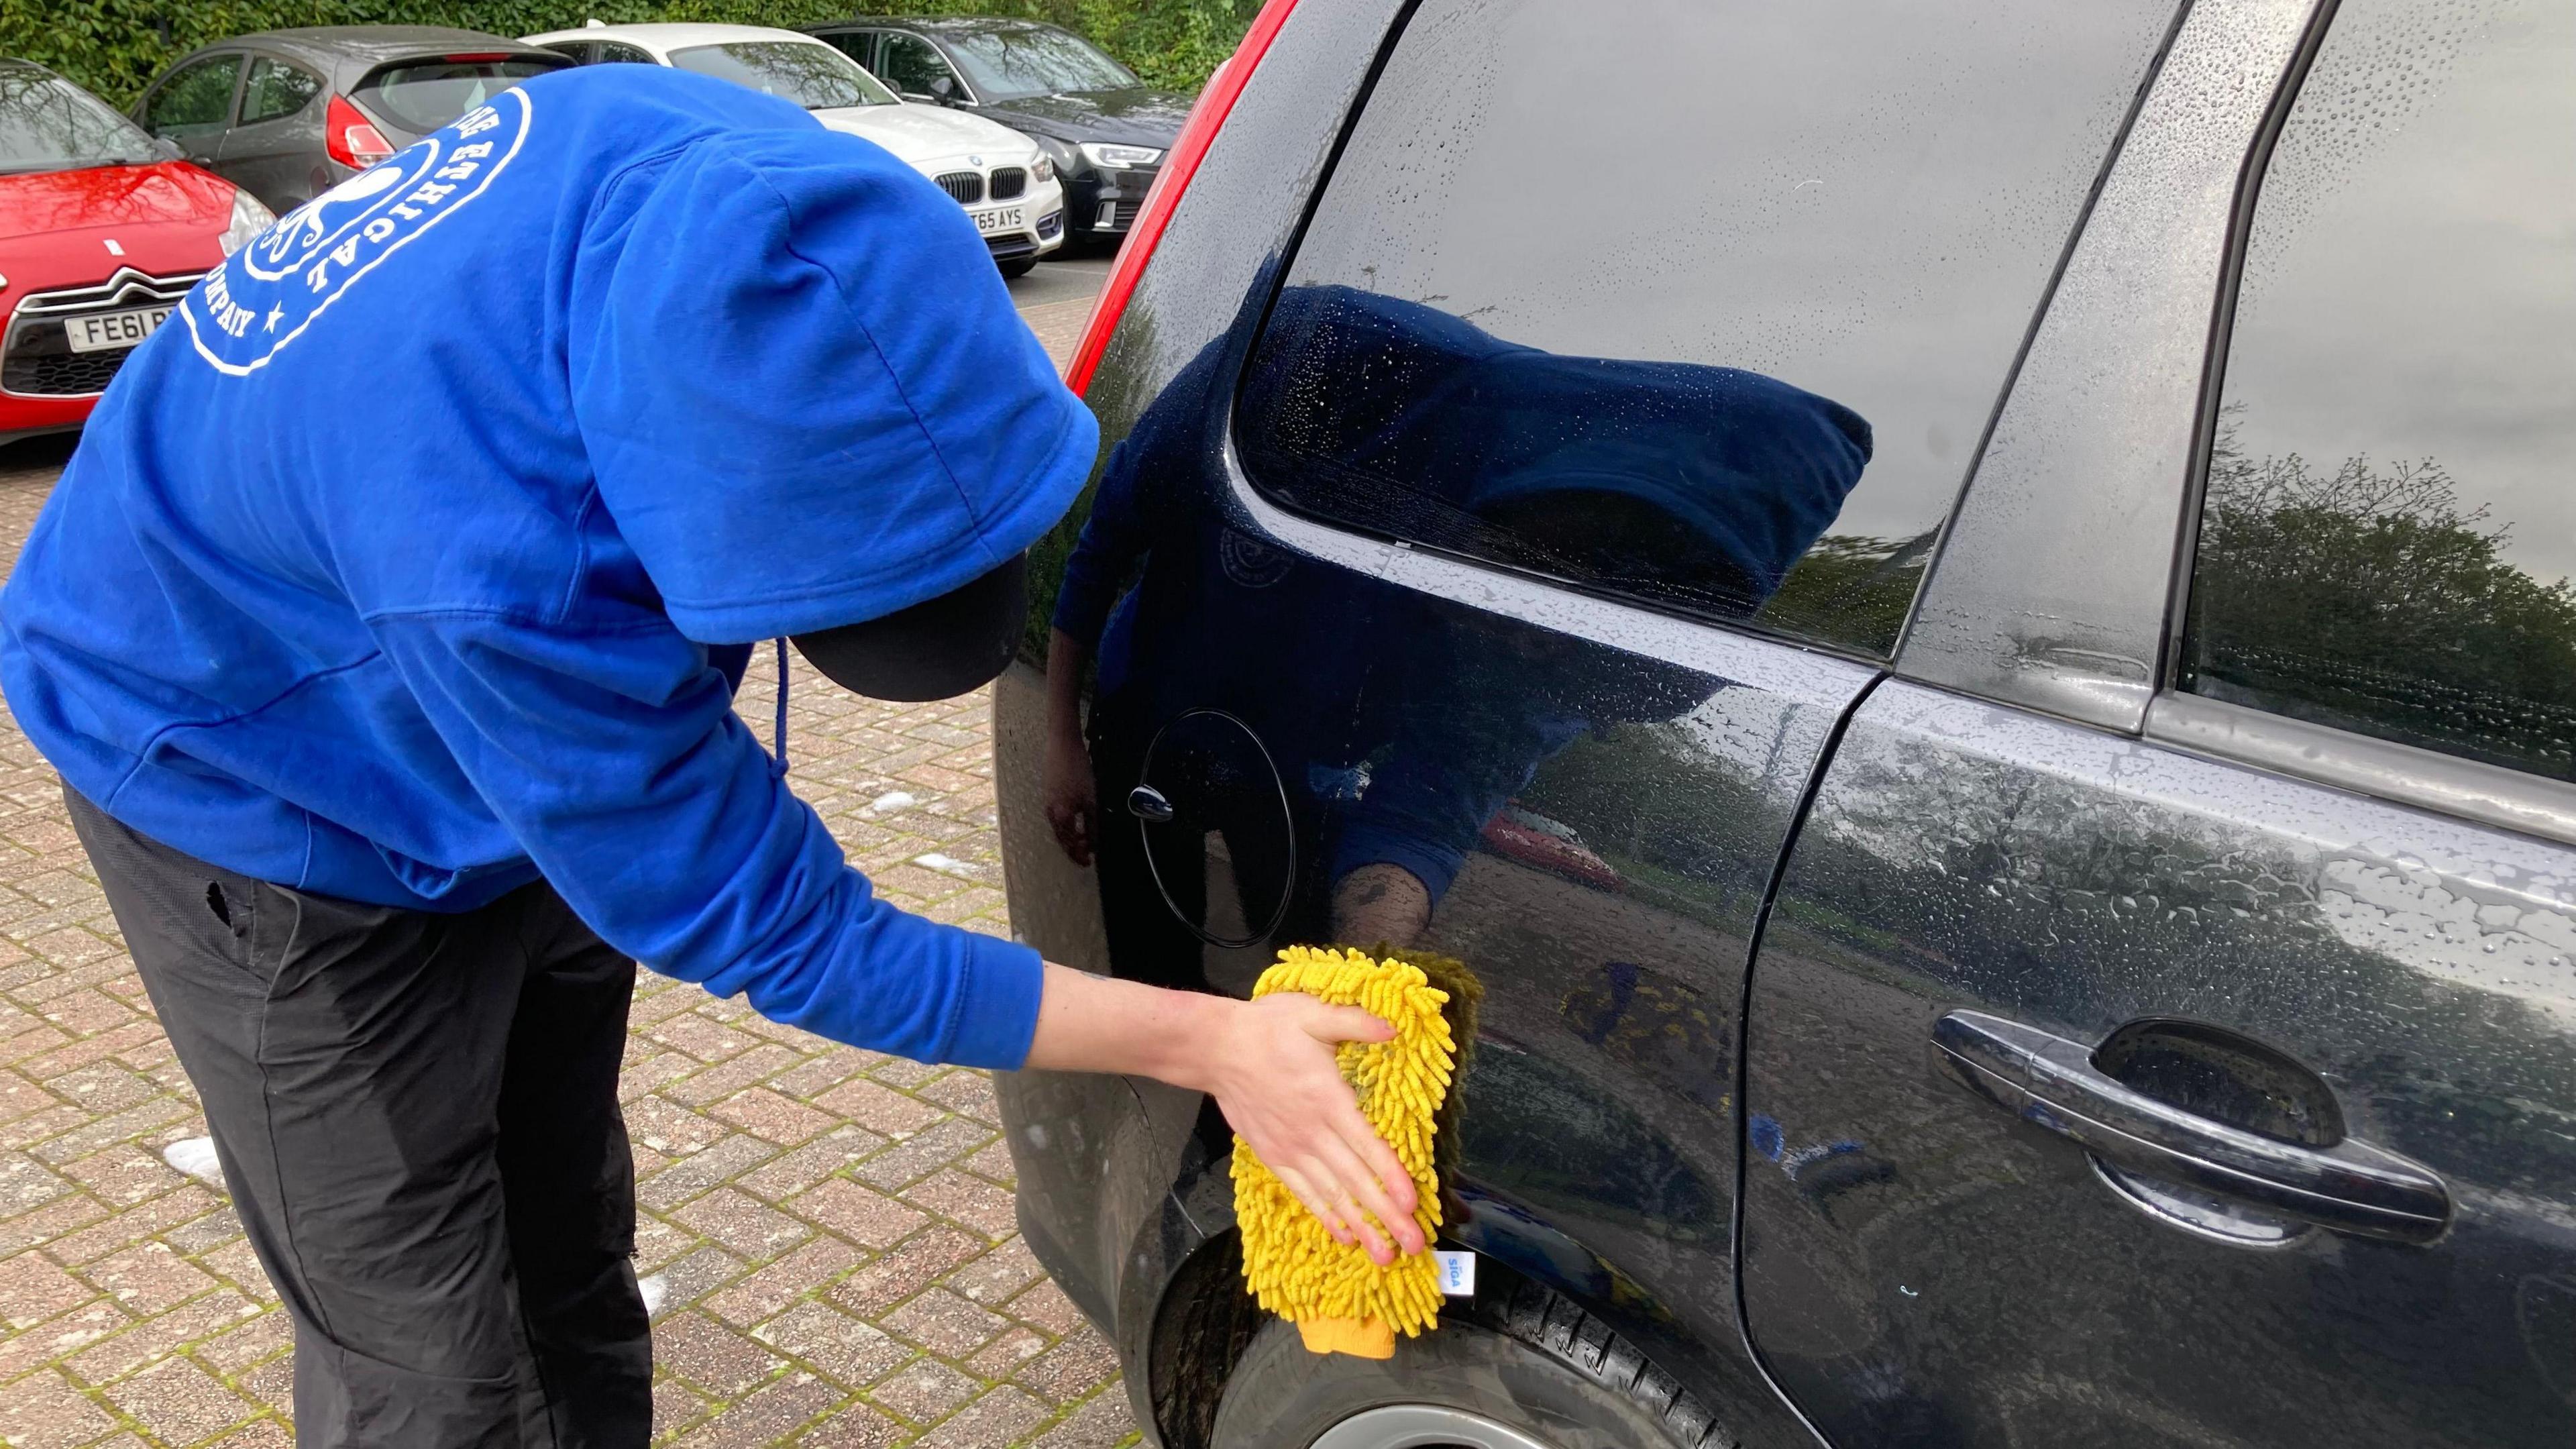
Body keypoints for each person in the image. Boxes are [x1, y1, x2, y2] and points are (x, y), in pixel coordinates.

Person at [0, 66, 1417, 1448]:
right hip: (235, 760)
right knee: (428, 1357)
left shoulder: (753, 180)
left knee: (568, 1241)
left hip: (442, 611)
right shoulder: (513, 574)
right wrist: (1218, 1044)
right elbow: (800, 943)